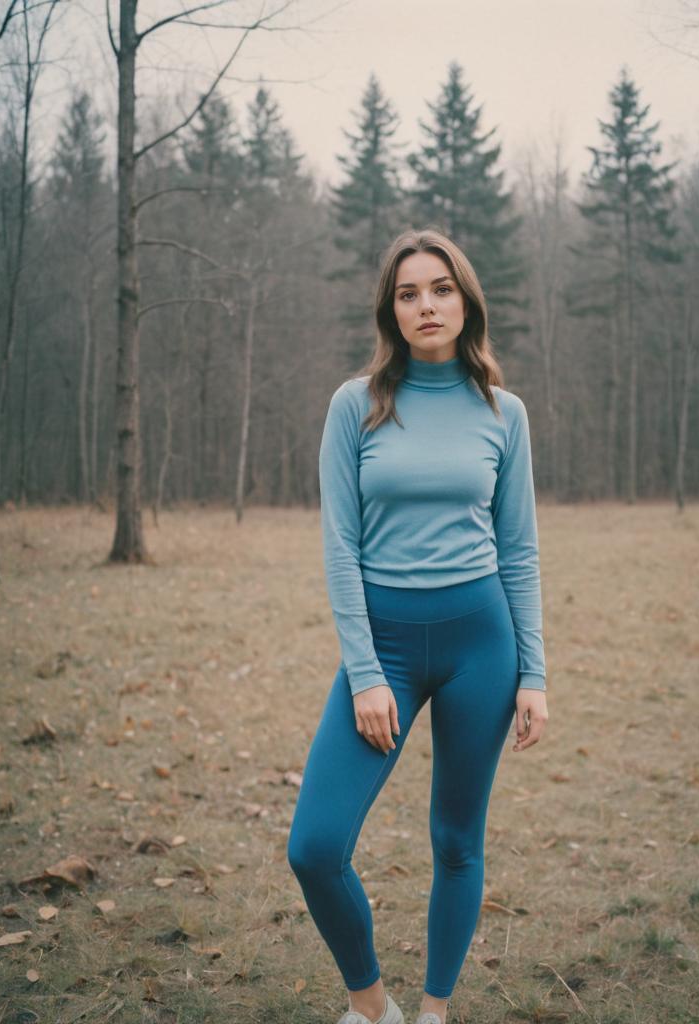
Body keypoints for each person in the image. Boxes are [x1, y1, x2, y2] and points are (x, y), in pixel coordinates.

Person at [286, 226, 549, 1024]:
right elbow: (340, 547)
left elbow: (520, 550)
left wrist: (533, 673)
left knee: (457, 841)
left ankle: (434, 1012)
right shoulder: (354, 405)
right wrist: (365, 672)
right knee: (316, 847)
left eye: (440, 289)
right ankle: (373, 1010)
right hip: (386, 648)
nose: (426, 304)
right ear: (390, 311)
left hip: (482, 646)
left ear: (466, 302)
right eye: (408, 293)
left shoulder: (504, 414)